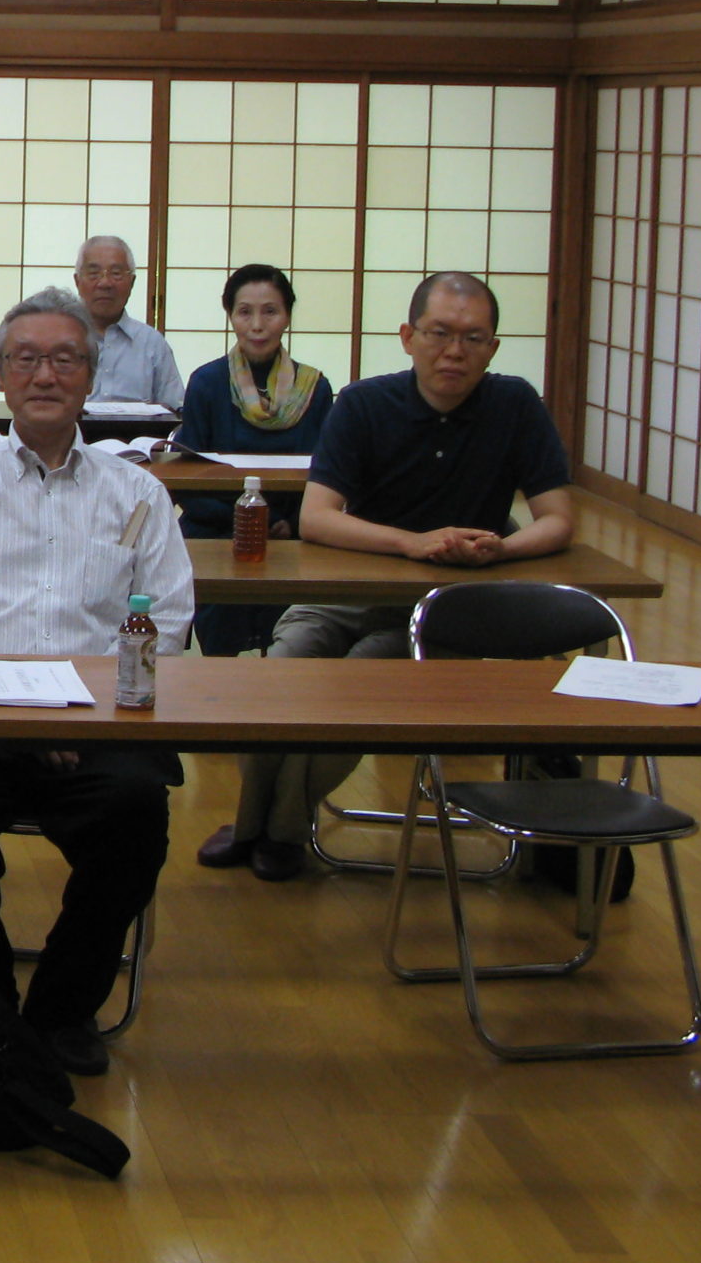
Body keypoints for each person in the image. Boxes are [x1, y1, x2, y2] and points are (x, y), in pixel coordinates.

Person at [0, 286, 194, 1078]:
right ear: (1, 376)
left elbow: (167, 619)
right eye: (26, 359)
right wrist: (12, 707)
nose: (46, 374)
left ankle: (62, 1010)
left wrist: (78, 716)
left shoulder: (138, 494)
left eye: (65, 358)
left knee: (136, 816)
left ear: (92, 377)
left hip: (98, 731)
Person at [198, 270, 575, 882]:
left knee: (354, 688)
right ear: (407, 336)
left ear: (494, 347)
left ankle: (275, 831)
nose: (454, 351)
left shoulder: (514, 405)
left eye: (474, 338)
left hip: (443, 608)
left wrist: (498, 549)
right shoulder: (366, 402)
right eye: (439, 333)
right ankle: (260, 825)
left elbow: (558, 520)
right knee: (281, 673)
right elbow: (319, 519)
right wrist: (414, 543)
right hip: (346, 589)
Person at [169, 264, 334, 657]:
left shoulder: (316, 388)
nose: (257, 325)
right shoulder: (207, 382)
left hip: (290, 532)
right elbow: (184, 478)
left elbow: (330, 475)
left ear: (288, 316)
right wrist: (245, 522)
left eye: (270, 311)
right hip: (217, 527)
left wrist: (287, 523)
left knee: (296, 628)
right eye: (245, 312)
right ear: (231, 316)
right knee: (221, 619)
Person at [73, 236, 184, 411]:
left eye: (116, 274)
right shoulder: (60, 339)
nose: (104, 283)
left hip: (139, 437)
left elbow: (174, 408)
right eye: (94, 274)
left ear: (132, 283)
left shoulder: (152, 342)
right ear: (77, 281)